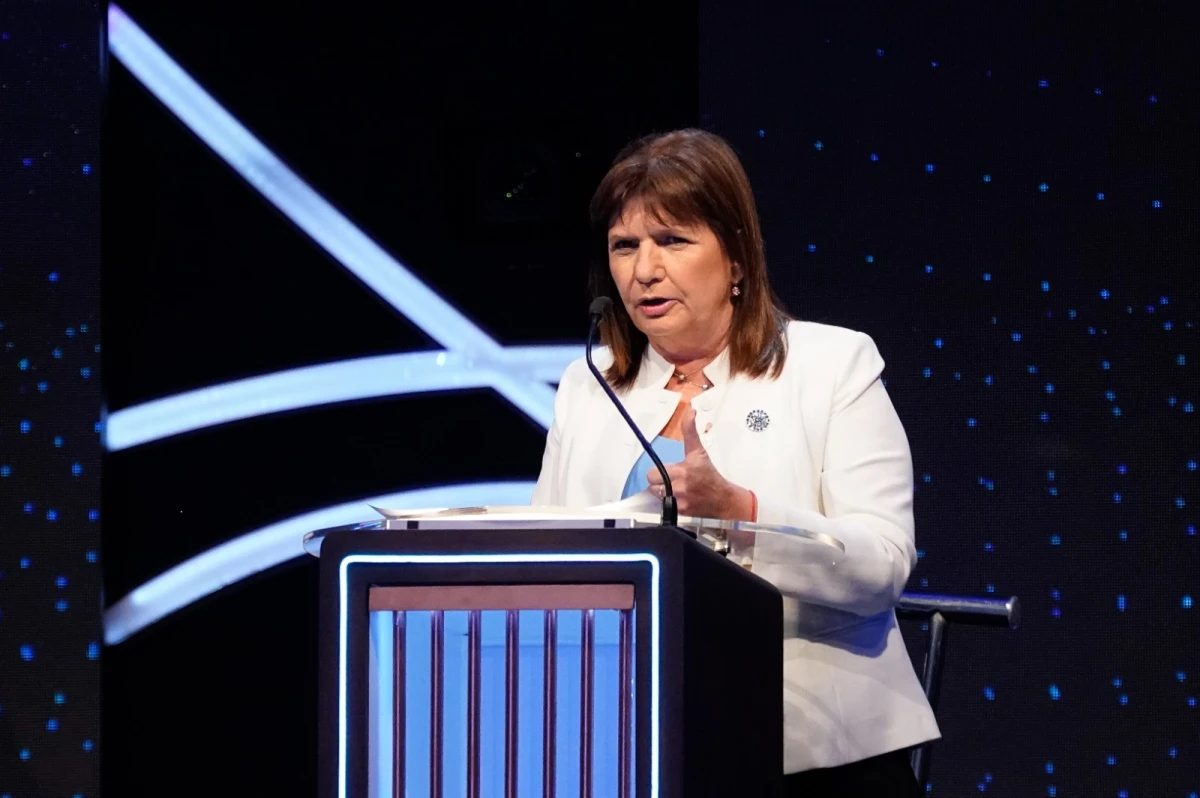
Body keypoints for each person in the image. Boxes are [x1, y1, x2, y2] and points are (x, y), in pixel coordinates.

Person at [530, 128, 938, 796]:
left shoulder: (832, 364)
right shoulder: (590, 384)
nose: (643, 270)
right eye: (624, 246)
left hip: (816, 755)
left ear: (737, 257)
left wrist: (742, 512)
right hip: (629, 748)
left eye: (673, 241)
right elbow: (547, 556)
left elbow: (882, 564)